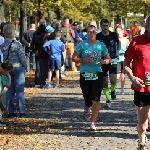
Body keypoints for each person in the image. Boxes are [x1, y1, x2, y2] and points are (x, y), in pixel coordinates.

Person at [72, 25, 110, 130]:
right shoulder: (82, 45)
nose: (91, 34)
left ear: (96, 33)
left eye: (93, 32)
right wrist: (83, 60)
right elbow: (74, 58)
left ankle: (93, 122)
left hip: (97, 73)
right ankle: (86, 109)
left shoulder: (101, 45)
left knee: (96, 99)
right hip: (85, 73)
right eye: (89, 32)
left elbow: (108, 59)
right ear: (87, 33)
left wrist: (103, 61)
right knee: (88, 98)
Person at [124, 16, 150, 150]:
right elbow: (126, 63)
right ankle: (141, 141)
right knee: (143, 124)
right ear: (147, 27)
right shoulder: (136, 42)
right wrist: (133, 78)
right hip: (142, 88)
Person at [1, 24, 26, 118]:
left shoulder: (3, 45)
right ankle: (22, 111)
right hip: (18, 67)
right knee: (19, 90)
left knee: (9, 90)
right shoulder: (17, 44)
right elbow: (22, 57)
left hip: (7, 69)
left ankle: (10, 111)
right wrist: (25, 66)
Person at [96, 19, 119, 108]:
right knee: (104, 82)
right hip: (102, 60)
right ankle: (108, 99)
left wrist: (117, 51)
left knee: (113, 79)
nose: (105, 27)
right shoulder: (98, 36)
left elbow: (118, 42)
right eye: (103, 26)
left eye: (107, 25)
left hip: (112, 59)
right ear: (101, 26)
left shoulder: (113, 34)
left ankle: (113, 90)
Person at [116, 25, 130, 94]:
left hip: (124, 58)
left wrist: (126, 51)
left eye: (119, 31)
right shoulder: (115, 40)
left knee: (122, 75)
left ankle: (122, 88)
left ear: (122, 31)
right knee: (117, 76)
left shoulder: (126, 40)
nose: (117, 32)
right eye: (116, 31)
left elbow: (130, 49)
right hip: (117, 58)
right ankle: (113, 87)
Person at [0, 60, 12, 126]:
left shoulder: (2, 74)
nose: (8, 73)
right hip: (2, 92)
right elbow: (8, 85)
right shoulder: (3, 75)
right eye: (8, 72)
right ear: (4, 70)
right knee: (2, 106)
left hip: (2, 91)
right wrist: (9, 77)